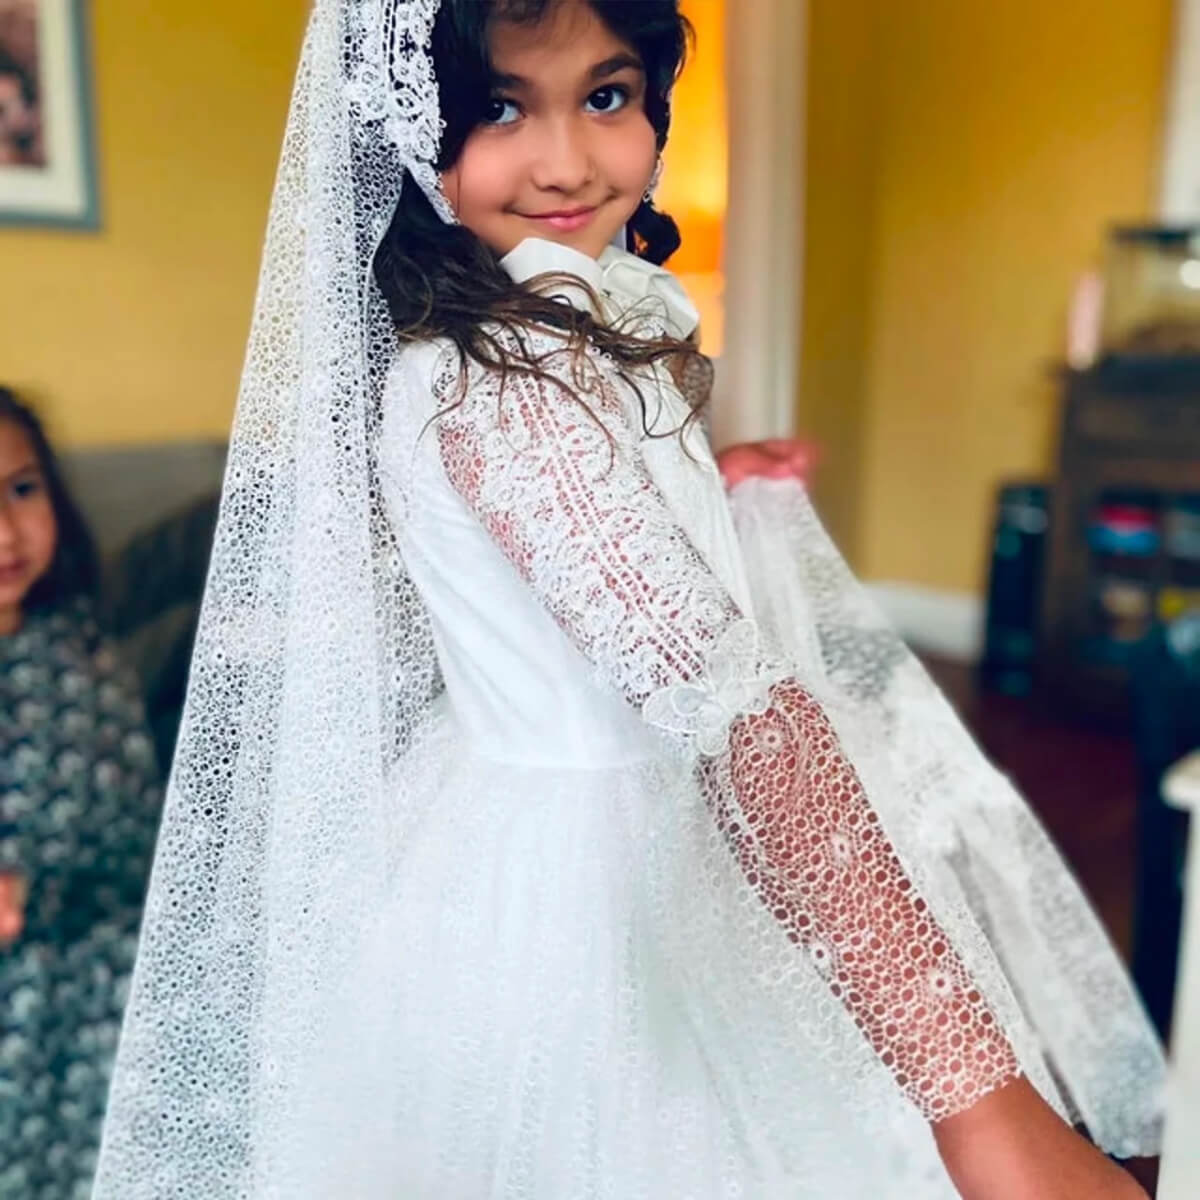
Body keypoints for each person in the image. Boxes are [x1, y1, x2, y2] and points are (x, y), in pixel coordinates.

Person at [92, 2, 1163, 1196]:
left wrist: (704, 478)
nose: (567, 162)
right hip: (577, 886)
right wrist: (982, 1108)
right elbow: (742, 717)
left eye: (605, 95)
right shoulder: (500, 386)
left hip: (615, 803)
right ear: (401, 129)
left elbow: (554, 533)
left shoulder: (547, 320)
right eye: (497, 109)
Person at [0, 389, 162, 1199]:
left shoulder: (79, 649)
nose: (3, 532)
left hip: (108, 954)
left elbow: (143, 834)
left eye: (21, 490)